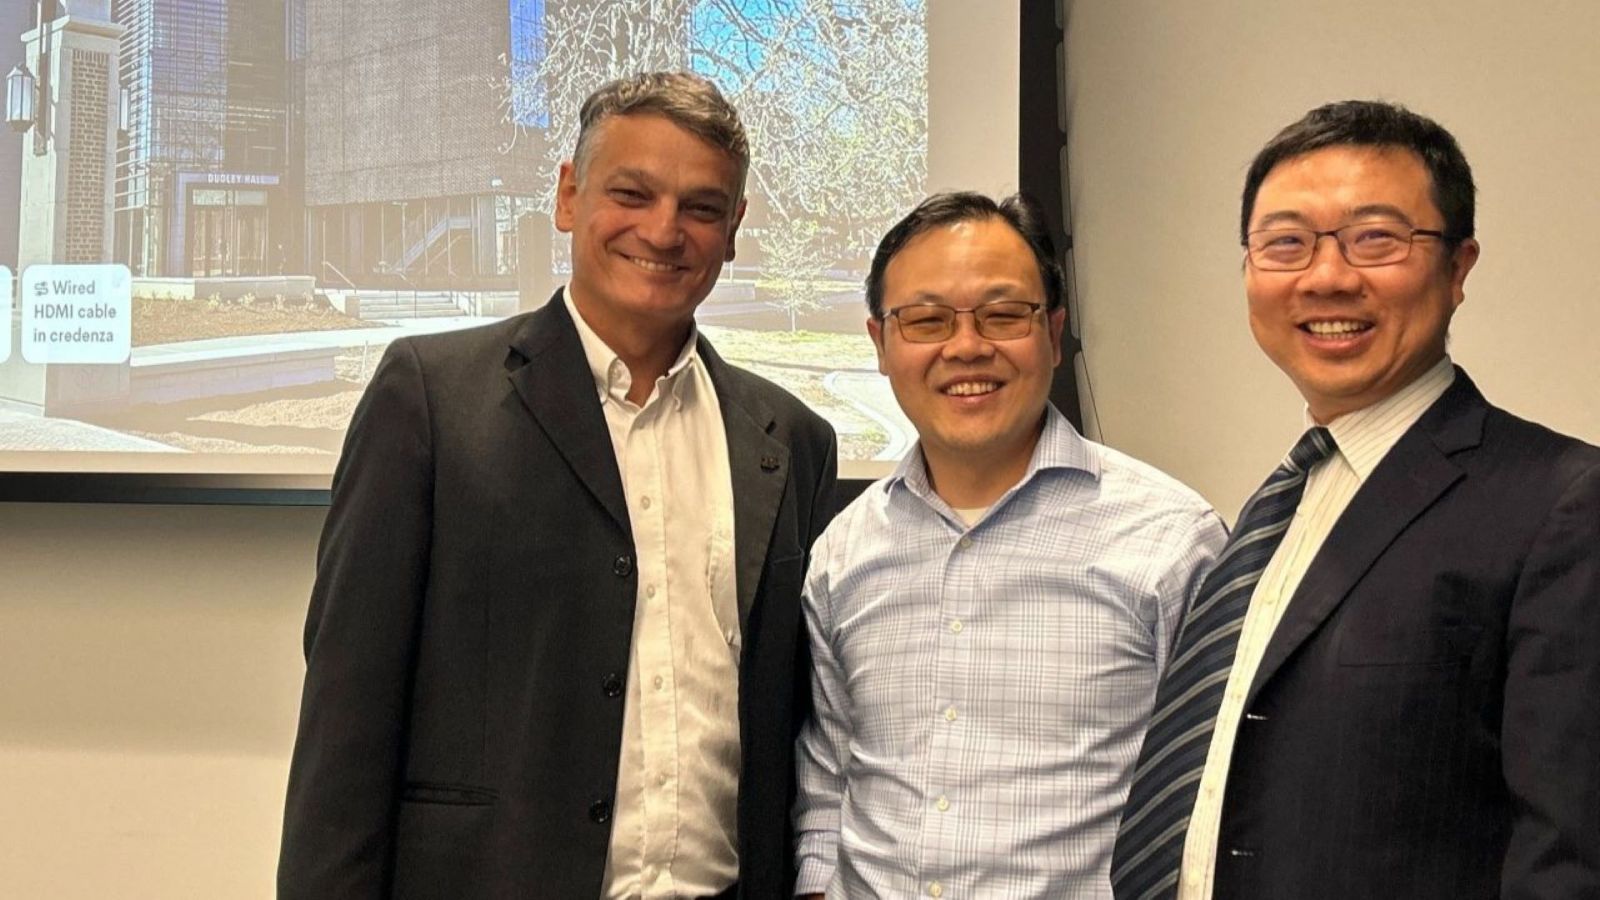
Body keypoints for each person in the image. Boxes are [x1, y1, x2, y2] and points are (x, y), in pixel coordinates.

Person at [278, 72, 838, 899]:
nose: (664, 230)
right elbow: (346, 723)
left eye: (701, 208)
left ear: (733, 230)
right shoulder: (430, 398)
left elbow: (798, 728)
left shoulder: (790, 440)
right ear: (569, 196)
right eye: (632, 193)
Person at [1111, 100, 1600, 900]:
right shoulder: (1283, 505)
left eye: (1377, 238)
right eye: (1286, 243)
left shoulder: (1562, 504)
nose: (1328, 276)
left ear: (1459, 266)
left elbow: (1572, 856)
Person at [793, 192, 1227, 898]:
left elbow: (1215, 798)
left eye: (1003, 315)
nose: (966, 347)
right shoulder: (845, 551)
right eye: (927, 319)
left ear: (1054, 334)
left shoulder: (1173, 542)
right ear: (879, 344)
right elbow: (828, 772)